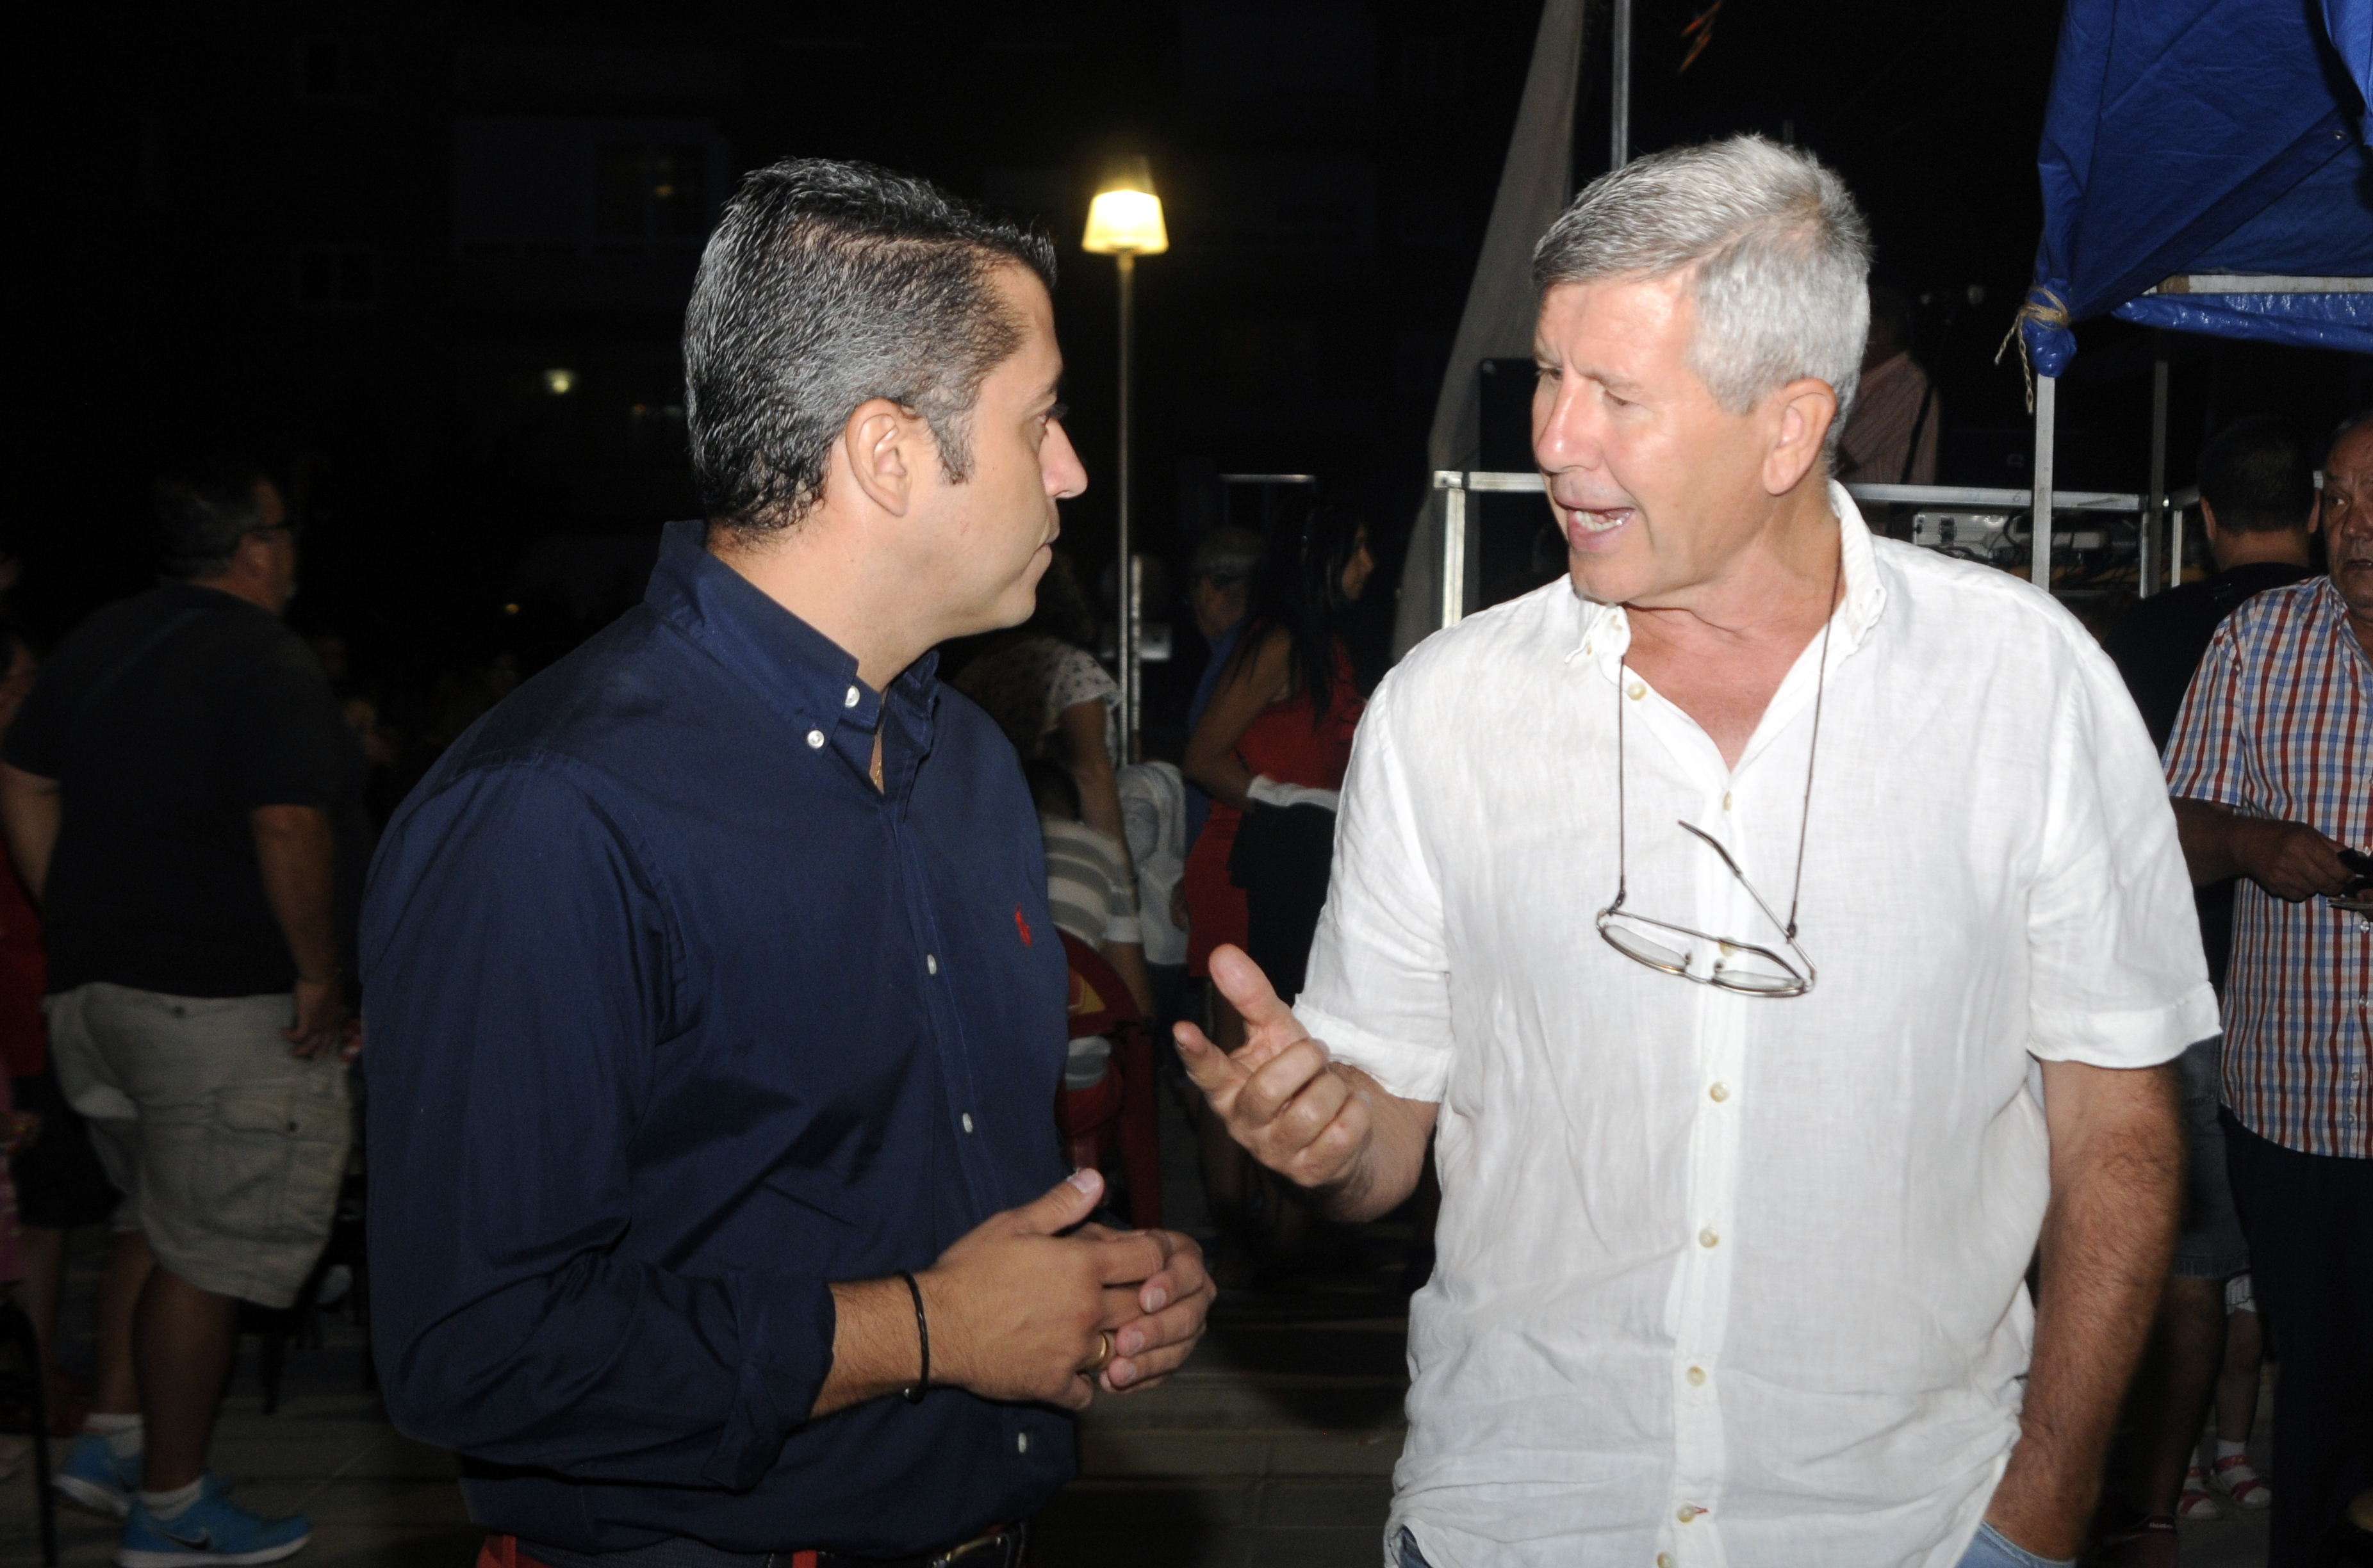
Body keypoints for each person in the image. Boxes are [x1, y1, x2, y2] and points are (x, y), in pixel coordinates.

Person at [1181, 136, 2212, 1568]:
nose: (1554, 439)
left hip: (1904, 1529)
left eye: (1616, 395)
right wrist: (1327, 1136)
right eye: (1550, 375)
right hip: (1517, 1521)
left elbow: (2118, 1132)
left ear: (1788, 429)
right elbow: (1386, 1135)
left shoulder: (2021, 688)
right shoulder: (1443, 710)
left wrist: (2039, 1511)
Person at [363, 158, 1212, 1568]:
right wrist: (931, 1331)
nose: (1069, 470)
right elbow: (478, 1344)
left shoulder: (967, 767)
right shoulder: (553, 810)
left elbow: (912, 1182)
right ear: (888, 454)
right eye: (1039, 419)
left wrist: (1091, 1282)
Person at [0, 470, 365, 1565]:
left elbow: (21, 774)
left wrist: (80, 915)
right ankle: (171, 1506)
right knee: (209, 1255)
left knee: (156, 1223)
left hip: (99, 1003)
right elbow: (288, 822)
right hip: (216, 1009)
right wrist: (317, 972)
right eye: (287, 530)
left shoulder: (104, 638)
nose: (294, 550)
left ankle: (114, 1440)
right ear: (256, 547)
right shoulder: (264, 657)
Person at [2092, 414, 2313, 1560]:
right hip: (2304, 984)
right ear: (2314, 511)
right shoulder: (2329, 632)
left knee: (2185, 1261)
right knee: (2290, 1252)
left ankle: (2151, 1499)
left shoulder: (2145, 633)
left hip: (2172, 980)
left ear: (2205, 518)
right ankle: (2255, 1457)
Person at [2162, 409, 2373, 1568]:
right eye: (2337, 498)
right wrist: (2249, 842)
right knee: (2319, 1397)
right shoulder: (2258, 643)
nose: (2355, 525)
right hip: (2295, 1106)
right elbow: (2164, 829)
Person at [0, 622, 125, 1439]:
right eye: (23, 679)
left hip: (36, 1009)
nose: (34, 692)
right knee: (38, 1218)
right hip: (23, 1019)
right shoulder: (19, 779)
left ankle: (39, 1367)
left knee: (48, 1212)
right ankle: (36, 1380)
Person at [956, 550, 1133, 853]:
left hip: (984, 845)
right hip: (1062, 850)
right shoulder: (1068, 668)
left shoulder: (968, 679)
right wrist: (1120, 867)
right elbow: (1089, 773)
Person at [1181, 525, 1266, 850]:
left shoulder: (1239, 657)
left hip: (1233, 850)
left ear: (1208, 588)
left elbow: (1205, 764)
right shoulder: (1250, 651)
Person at [1835, 283, 1939, 496]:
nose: (1843, 336)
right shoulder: (1877, 382)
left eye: (1854, 326)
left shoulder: (1905, 386)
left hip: (1882, 516)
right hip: (1861, 512)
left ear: (1882, 334)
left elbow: (1840, 458)